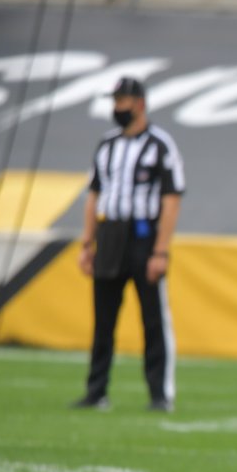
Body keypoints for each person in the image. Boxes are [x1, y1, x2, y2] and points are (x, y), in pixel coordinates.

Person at [70, 77, 185, 412]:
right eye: (115, 101)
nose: (117, 108)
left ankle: (160, 394)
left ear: (140, 104)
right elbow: (94, 195)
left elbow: (171, 200)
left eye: (122, 101)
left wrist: (160, 250)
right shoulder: (106, 145)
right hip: (109, 236)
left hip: (143, 237)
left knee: (153, 320)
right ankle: (96, 391)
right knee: (103, 319)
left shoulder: (161, 146)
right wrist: (87, 243)